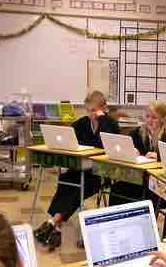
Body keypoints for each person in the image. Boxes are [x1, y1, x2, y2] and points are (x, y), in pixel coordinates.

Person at [34, 91, 119, 250]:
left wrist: (102, 119)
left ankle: (53, 222)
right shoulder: (82, 123)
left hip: (99, 173)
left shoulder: (110, 124)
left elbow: (108, 143)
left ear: (103, 109)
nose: (91, 114)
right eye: (88, 110)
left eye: (94, 111)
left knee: (79, 187)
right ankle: (55, 226)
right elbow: (69, 138)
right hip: (80, 169)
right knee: (65, 179)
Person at [108, 101, 166, 206]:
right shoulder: (139, 132)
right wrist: (131, 150)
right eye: (147, 116)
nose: (149, 121)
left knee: (137, 193)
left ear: (163, 119)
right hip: (141, 178)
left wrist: (160, 157)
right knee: (116, 189)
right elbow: (126, 143)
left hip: (160, 183)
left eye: (154, 118)